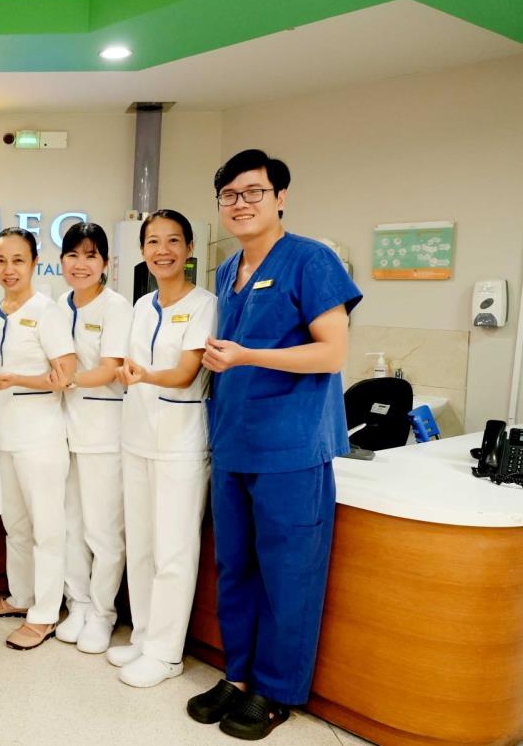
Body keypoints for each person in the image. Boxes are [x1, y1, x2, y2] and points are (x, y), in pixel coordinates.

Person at [186, 150, 362, 740]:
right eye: (229, 195)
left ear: (280, 197)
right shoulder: (227, 269)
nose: (240, 203)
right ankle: (238, 676)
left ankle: (276, 691)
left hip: (291, 447)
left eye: (253, 192)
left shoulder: (311, 259)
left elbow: (332, 353)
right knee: (235, 567)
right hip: (235, 442)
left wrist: (247, 355)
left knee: (288, 574)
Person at [109, 210, 216, 688]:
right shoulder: (141, 305)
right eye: (153, 241)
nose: (163, 250)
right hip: (136, 437)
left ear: (189, 248)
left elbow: (187, 373)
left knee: (173, 551)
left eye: (173, 241)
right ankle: (144, 636)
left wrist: (143, 375)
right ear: (142, 251)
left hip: (180, 442)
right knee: (142, 546)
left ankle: (167, 653)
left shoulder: (204, 305)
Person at [0, 228, 76, 650]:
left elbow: (66, 375)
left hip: (40, 438)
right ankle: (21, 597)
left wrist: (17, 378)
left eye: (18, 260)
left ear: (34, 263)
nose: (9, 269)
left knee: (46, 529)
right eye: (1, 260)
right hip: (1, 436)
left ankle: (46, 613)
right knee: (14, 526)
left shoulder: (47, 312)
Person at [50, 222, 132, 655]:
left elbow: (111, 369)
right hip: (62, 429)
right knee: (70, 525)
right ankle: (77, 603)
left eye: (90, 255)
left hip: (104, 431)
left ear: (105, 263)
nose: (80, 264)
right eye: (73, 255)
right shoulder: (57, 306)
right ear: (61, 260)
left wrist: (69, 379)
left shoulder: (116, 307)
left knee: (103, 530)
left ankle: (102, 613)